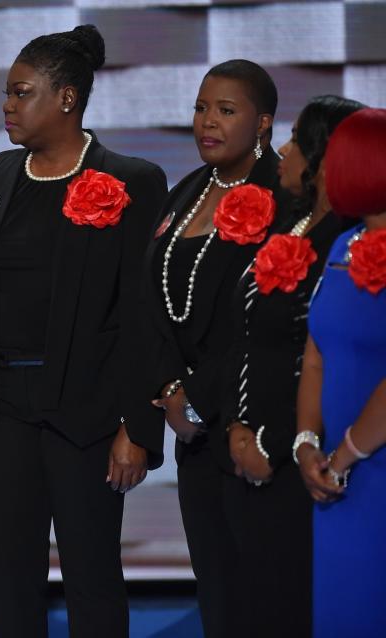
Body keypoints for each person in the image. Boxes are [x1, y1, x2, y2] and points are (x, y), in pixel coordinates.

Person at [0, 25, 168, 638]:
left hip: (88, 413)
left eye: (20, 92)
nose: (7, 105)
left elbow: (144, 316)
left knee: (92, 575)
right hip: (2, 411)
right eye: (6, 94)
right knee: (9, 576)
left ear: (66, 98)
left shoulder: (131, 180)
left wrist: (135, 427)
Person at [136, 60, 292, 638]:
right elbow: (148, 305)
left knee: (267, 592)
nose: (207, 121)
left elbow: (264, 323)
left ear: (264, 124)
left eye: (226, 111)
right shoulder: (186, 194)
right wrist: (171, 390)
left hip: (253, 424)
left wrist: (197, 399)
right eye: (202, 107)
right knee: (218, 589)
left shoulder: (287, 199)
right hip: (192, 433)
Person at [218, 95, 363, 637]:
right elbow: (246, 336)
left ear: (326, 158)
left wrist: (275, 442)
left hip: (298, 464)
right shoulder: (294, 224)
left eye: (297, 139)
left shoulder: (346, 246)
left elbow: (317, 355)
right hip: (247, 454)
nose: (283, 147)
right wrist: (236, 426)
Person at [294, 107, 386, 638]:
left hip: (365, 469)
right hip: (333, 482)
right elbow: (316, 354)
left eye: (335, 160)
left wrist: (345, 455)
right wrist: (307, 444)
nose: (324, 171)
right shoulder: (340, 247)